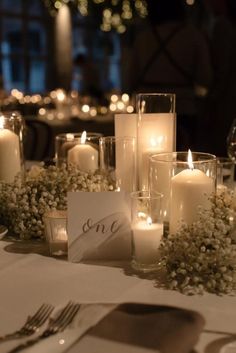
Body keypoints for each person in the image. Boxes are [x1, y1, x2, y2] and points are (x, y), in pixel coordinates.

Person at [128, 0, 213, 150]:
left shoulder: (143, 38)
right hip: (183, 108)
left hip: (146, 109)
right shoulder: (193, 36)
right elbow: (205, 78)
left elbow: (130, 79)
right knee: (181, 159)